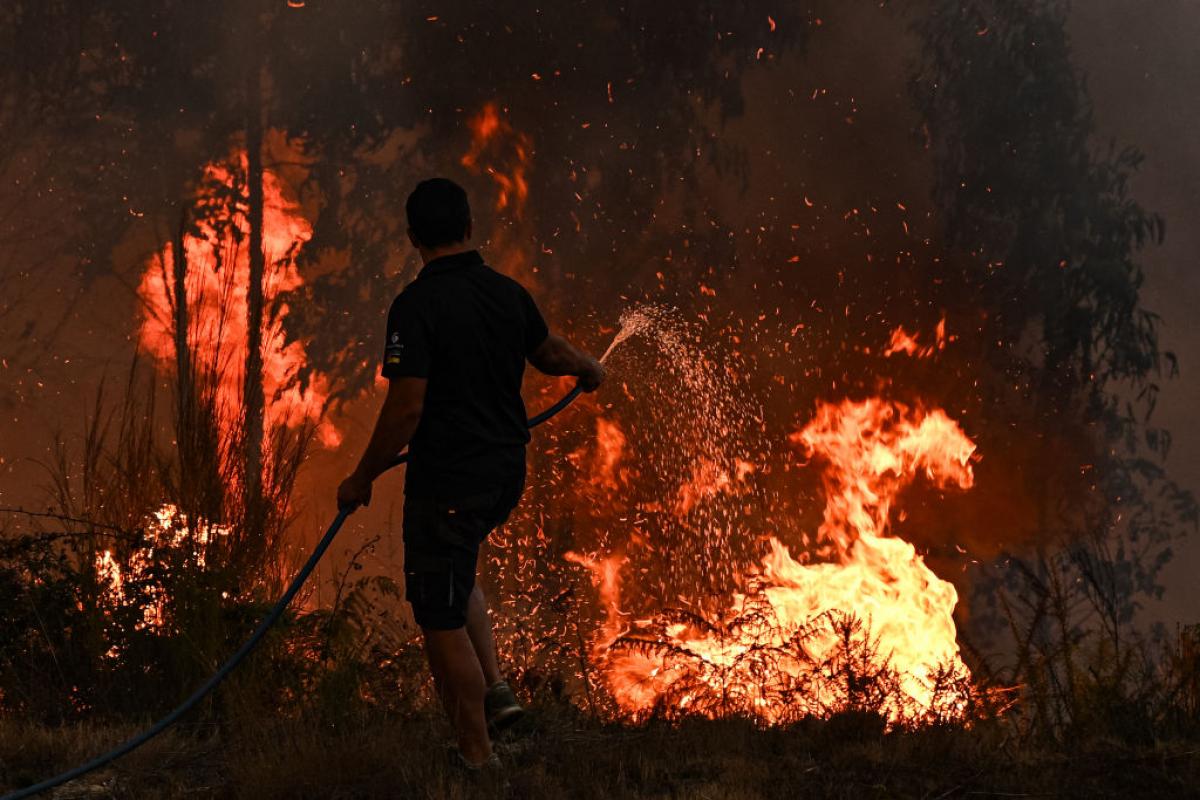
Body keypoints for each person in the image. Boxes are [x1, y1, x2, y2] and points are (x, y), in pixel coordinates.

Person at [336, 177, 604, 769]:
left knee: (437, 614)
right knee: (458, 572)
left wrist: (361, 478)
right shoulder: (507, 292)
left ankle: (478, 757)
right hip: (504, 473)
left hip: (449, 480)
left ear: (413, 238)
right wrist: (588, 367)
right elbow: (550, 353)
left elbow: (407, 407)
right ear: (469, 228)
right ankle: (498, 690)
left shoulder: (415, 306)